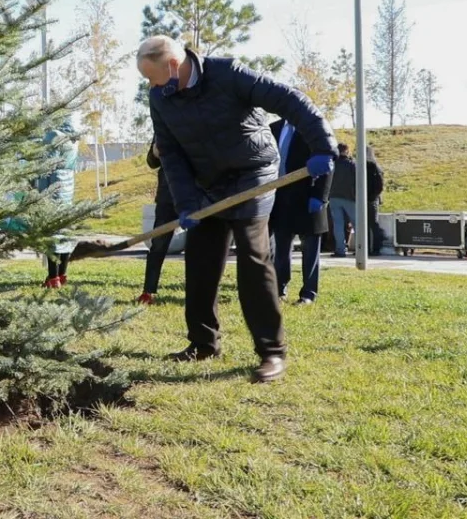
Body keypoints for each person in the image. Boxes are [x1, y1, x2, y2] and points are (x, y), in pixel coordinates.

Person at [138, 36, 336, 383]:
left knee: (253, 258)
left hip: (253, 174)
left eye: (152, 77)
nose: (150, 85)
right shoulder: (160, 97)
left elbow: (290, 101)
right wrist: (186, 203)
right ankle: (203, 343)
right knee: (200, 259)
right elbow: (169, 152)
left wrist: (322, 145)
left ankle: (271, 353)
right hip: (207, 184)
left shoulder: (229, 74)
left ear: (173, 65)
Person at [269, 117, 332, 305]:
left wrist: (320, 195)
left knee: (310, 248)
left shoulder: (314, 127)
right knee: (281, 248)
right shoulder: (273, 128)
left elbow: (328, 161)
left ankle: (308, 293)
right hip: (279, 198)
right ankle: (279, 289)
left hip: (308, 195)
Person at [40, 113, 79, 288]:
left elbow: (46, 167)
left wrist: (40, 194)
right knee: (64, 232)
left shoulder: (52, 136)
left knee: (52, 233)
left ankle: (52, 277)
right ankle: (62, 275)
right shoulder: (73, 139)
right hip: (68, 186)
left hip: (53, 185)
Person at [140, 137, 176, 305]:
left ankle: (199, 293)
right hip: (168, 195)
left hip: (198, 194)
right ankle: (148, 291)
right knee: (158, 245)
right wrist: (154, 153)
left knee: (201, 247)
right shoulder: (163, 124)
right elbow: (152, 162)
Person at [328, 143, 357, 257]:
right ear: (347, 151)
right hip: (350, 197)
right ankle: (361, 248)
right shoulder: (352, 164)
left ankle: (340, 249)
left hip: (334, 197)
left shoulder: (333, 164)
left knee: (338, 224)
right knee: (356, 223)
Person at [365, 146, 386, 255]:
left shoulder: (372, 167)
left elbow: (379, 185)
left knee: (372, 224)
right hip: (369, 198)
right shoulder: (371, 166)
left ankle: (376, 247)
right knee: (369, 224)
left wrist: (372, 197)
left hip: (370, 199)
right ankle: (367, 248)